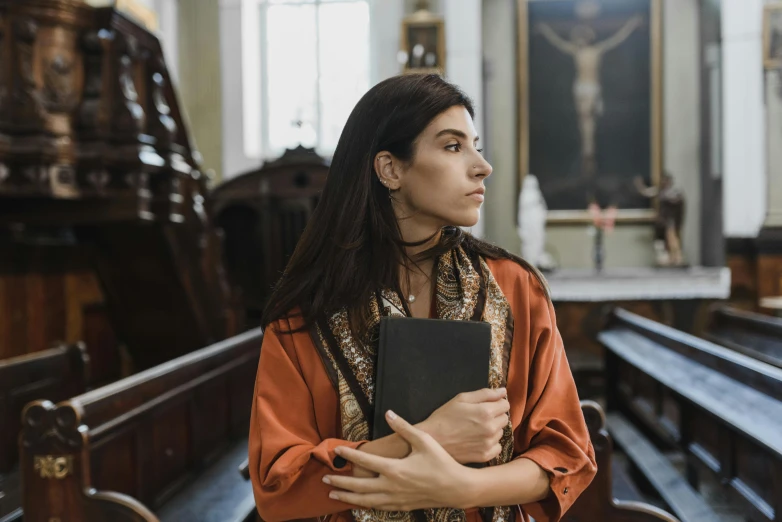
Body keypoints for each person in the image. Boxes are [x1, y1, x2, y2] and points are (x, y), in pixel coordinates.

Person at [248, 74, 597, 522]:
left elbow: (566, 456)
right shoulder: (303, 315)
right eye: (453, 147)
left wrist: (463, 485)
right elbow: (280, 486)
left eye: (476, 146)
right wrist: (430, 438)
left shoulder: (517, 289)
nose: (481, 166)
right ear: (390, 169)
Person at [537, 17, 643, 176]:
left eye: (581, 37)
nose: (579, 41)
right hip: (581, 89)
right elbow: (557, 42)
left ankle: (589, 154)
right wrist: (545, 30)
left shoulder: (596, 50)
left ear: (587, 38)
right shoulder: (576, 51)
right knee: (584, 121)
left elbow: (617, 39)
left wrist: (631, 25)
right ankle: (586, 154)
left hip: (592, 88)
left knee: (590, 122)